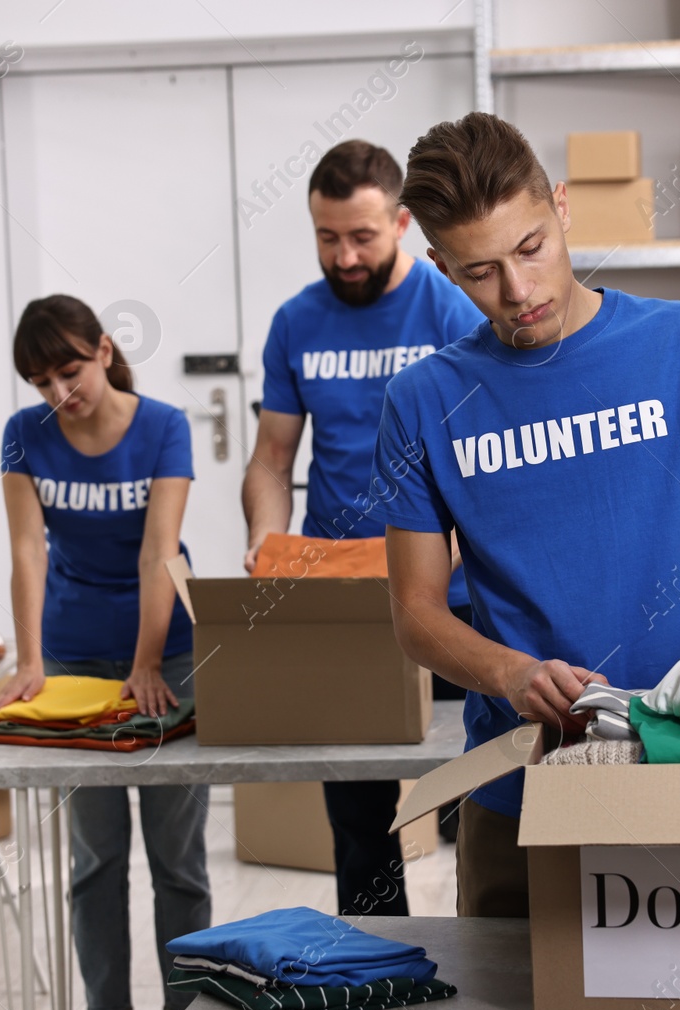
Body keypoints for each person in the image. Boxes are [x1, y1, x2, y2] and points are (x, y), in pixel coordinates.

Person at [370, 113, 680, 918]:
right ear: (441, 268)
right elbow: (415, 614)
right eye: (482, 271)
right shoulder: (421, 404)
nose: (519, 292)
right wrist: (509, 673)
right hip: (521, 788)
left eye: (531, 248)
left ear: (560, 208)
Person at [242, 139, 482, 916]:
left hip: (455, 596)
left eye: (362, 237)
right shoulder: (295, 323)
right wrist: (266, 543)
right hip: (343, 596)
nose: (344, 256)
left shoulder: (452, 309)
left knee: (478, 799)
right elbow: (273, 460)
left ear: (403, 222)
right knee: (358, 815)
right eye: (327, 237)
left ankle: (488, 983)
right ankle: (378, 982)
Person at [0, 295, 210, 1010]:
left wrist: (148, 661)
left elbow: (160, 553)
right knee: (95, 855)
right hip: (76, 656)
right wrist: (30, 661)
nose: (59, 393)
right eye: (41, 380)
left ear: (106, 350)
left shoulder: (163, 427)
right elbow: (28, 552)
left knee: (177, 853)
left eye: (70, 370)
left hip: (170, 652)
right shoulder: (25, 435)